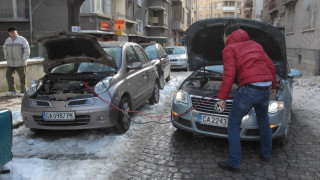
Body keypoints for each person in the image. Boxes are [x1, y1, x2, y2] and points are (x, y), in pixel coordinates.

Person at [217, 25, 277, 172]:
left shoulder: (229, 49)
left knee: (233, 123)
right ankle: (266, 153)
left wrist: (222, 98)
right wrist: (273, 86)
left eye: (223, 36)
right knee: (264, 120)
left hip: (249, 90)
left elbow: (229, 75)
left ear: (227, 36)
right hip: (265, 88)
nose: (223, 39)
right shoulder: (256, 45)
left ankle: (234, 162)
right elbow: (270, 66)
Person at [3, 27, 30, 97]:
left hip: (20, 62)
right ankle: (12, 90)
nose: (13, 34)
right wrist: (6, 56)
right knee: (8, 76)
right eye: (11, 33)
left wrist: (24, 58)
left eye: (14, 32)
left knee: (22, 77)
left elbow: (27, 49)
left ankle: (23, 91)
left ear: (16, 32)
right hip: (10, 62)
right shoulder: (8, 40)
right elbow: (4, 48)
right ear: (9, 34)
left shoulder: (22, 40)